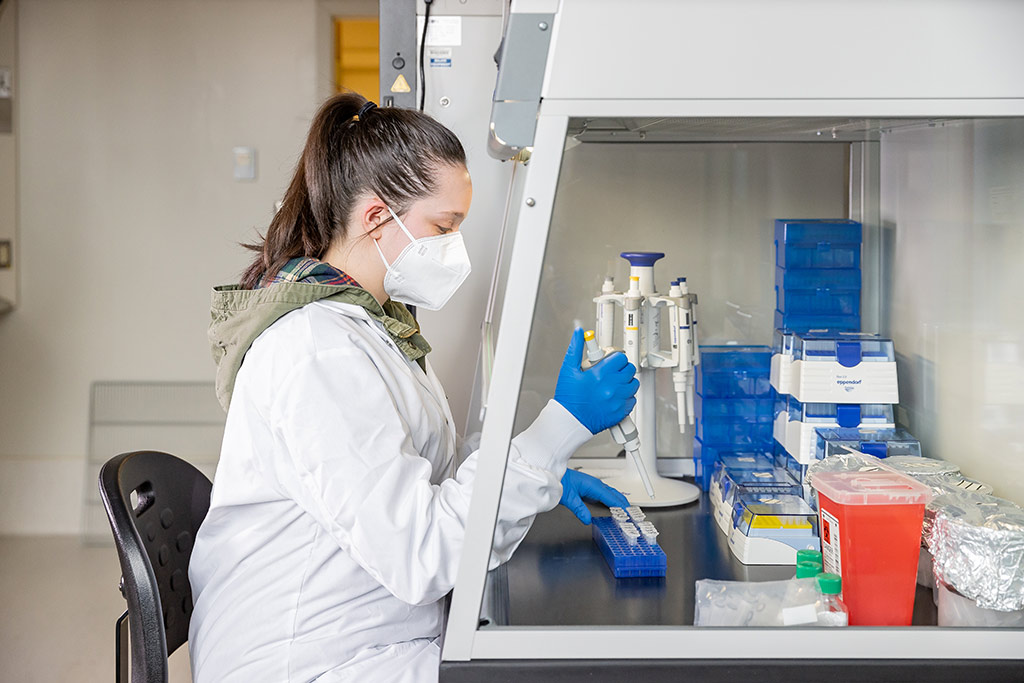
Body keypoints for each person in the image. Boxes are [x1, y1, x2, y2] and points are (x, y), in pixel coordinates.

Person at [187, 93, 638, 683]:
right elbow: (418, 553)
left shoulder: (368, 327)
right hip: (308, 661)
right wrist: (557, 428)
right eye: (443, 227)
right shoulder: (317, 350)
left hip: (368, 633)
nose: (454, 248)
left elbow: (427, 483)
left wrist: (535, 473)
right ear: (377, 218)